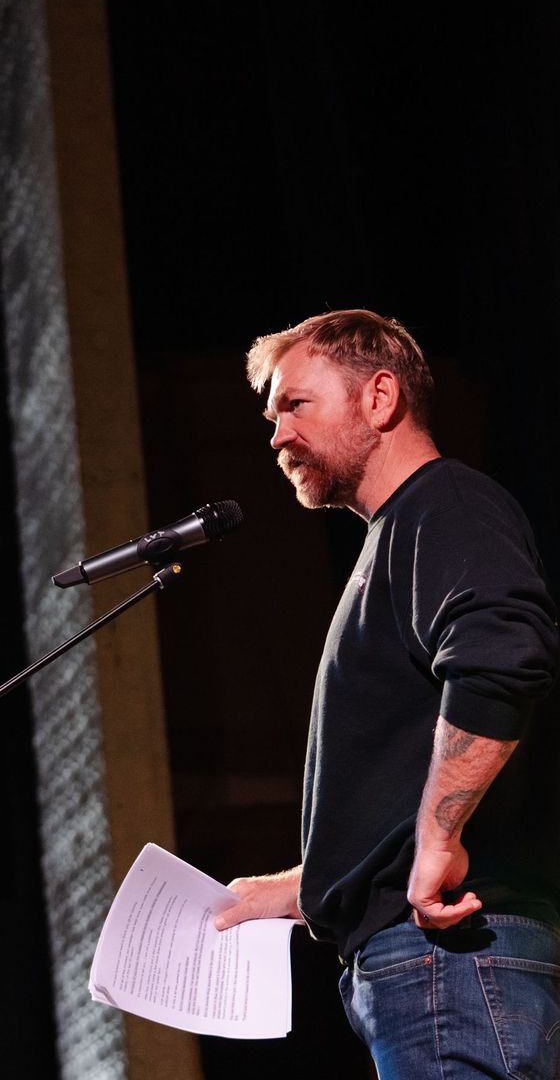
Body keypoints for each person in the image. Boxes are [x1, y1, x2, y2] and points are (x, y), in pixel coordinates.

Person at [216, 308, 560, 1078]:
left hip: (452, 960)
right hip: (436, 970)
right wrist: (301, 888)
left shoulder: (446, 506)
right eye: (272, 417)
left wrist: (439, 839)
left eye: (295, 405)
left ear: (379, 397)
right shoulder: (401, 533)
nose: (276, 436)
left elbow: (502, 655)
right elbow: (394, 814)